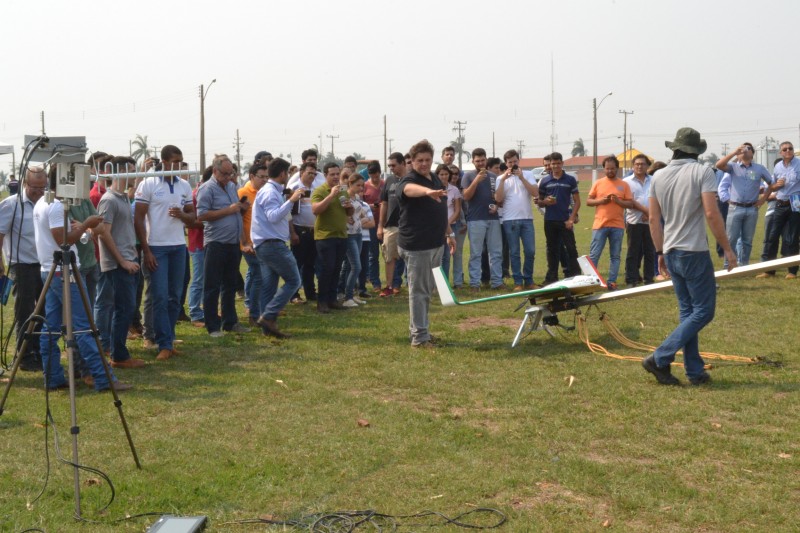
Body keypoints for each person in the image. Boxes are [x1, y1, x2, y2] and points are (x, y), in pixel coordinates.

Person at [644, 127, 737, 386]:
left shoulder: (658, 176)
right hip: (693, 251)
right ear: (696, 152)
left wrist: (660, 252)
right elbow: (711, 213)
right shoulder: (702, 172)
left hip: (671, 250)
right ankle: (660, 356)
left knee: (689, 313)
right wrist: (727, 249)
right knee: (704, 311)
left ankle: (694, 370)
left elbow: (653, 219)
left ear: (674, 148)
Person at [33, 171, 131, 392]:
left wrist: (82, 227)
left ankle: (53, 376)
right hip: (63, 271)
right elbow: (62, 240)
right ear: (65, 181)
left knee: (51, 326)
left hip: (50, 269)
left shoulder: (43, 201)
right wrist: (87, 223)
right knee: (84, 326)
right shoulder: (56, 205)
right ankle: (103, 378)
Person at [134, 145, 195, 361]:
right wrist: (147, 250)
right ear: (164, 161)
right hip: (156, 248)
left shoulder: (185, 185)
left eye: (181, 161)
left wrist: (182, 215)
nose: (179, 165)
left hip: (179, 246)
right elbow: (138, 218)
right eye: (175, 161)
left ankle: (168, 339)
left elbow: (193, 216)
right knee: (159, 296)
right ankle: (162, 343)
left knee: (175, 297)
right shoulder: (148, 183)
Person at [397, 140, 454, 348]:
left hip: (435, 243)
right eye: (419, 160)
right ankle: (419, 338)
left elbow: (440, 211)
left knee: (426, 291)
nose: (423, 164)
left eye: (427, 160)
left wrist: (450, 233)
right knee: (419, 292)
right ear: (411, 161)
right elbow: (409, 190)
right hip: (417, 246)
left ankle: (423, 332)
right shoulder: (409, 179)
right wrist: (426, 192)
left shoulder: (434, 179)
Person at [95, 156, 144, 369]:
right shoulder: (109, 200)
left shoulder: (123, 197)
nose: (135, 175)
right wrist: (122, 261)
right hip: (118, 264)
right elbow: (103, 234)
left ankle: (118, 351)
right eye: (131, 171)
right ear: (120, 172)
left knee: (126, 308)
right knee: (123, 309)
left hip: (129, 259)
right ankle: (118, 355)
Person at [196, 155, 251, 337]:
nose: (228, 177)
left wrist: (241, 208)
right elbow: (202, 215)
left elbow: (236, 213)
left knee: (230, 284)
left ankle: (230, 322)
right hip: (215, 243)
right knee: (212, 286)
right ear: (215, 171)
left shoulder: (231, 186)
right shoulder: (207, 188)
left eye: (231, 173)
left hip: (232, 243)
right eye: (225, 174)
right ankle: (212, 325)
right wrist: (229, 210)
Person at [0, 167, 47, 371]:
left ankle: (38, 349)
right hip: (22, 265)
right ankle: (25, 355)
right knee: (25, 310)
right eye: (35, 187)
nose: (39, 191)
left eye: (42, 187)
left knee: (45, 310)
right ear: (25, 184)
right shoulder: (11, 205)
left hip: (45, 263)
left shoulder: (48, 203)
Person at [251, 158, 304, 337]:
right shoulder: (269, 192)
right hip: (271, 244)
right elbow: (273, 216)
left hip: (267, 244)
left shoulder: (273, 190)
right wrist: (291, 201)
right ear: (282, 173)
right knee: (294, 280)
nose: (288, 176)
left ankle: (268, 327)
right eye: (288, 173)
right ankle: (268, 316)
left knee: (269, 286)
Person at [715, 143, 772, 267]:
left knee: (747, 240)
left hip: (752, 209)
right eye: (742, 149)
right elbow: (718, 165)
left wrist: (763, 200)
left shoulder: (759, 168)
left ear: (752, 153)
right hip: (735, 207)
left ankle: (744, 265)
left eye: (748, 148)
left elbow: (771, 184)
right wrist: (734, 153)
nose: (745, 151)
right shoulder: (733, 167)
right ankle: (728, 265)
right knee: (731, 239)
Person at [586, 155, 633, 290]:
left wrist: (619, 202)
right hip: (599, 225)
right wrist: (601, 201)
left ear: (617, 168)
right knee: (594, 255)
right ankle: (591, 281)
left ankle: (611, 281)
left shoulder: (624, 185)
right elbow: (588, 201)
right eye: (607, 169)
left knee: (615, 255)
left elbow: (630, 203)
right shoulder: (598, 183)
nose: (610, 171)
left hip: (617, 226)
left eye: (613, 168)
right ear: (604, 169)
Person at [494, 149, 538, 290]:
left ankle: (529, 280)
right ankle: (518, 282)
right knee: (514, 252)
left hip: (527, 218)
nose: (513, 164)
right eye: (510, 162)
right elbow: (498, 199)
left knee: (530, 250)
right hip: (509, 219)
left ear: (519, 161)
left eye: (515, 161)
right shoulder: (500, 178)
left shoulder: (528, 174)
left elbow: (535, 193)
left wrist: (522, 178)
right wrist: (503, 180)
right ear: (506, 164)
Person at [756, 142, 800, 279]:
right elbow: (772, 187)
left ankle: (792, 271)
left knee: (792, 238)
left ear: (793, 150)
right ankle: (769, 270)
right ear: (780, 152)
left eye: (790, 148)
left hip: (795, 204)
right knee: (772, 237)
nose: (788, 151)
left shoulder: (799, 164)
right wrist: (776, 185)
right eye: (784, 149)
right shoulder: (777, 166)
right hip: (780, 204)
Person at [311, 162, 351, 313]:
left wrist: (350, 207)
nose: (335, 177)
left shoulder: (343, 190)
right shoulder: (320, 191)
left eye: (337, 174)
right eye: (332, 174)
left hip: (341, 235)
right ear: (325, 176)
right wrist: (330, 195)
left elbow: (348, 213)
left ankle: (332, 299)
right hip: (325, 236)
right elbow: (316, 210)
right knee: (327, 269)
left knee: (336, 269)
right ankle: (321, 301)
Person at [462, 148, 503, 290]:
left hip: (493, 218)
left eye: (482, 160)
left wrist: (497, 206)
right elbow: (466, 196)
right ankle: (475, 283)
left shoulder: (493, 176)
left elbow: (499, 197)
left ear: (486, 160)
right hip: (475, 219)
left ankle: (497, 282)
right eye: (477, 160)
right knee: (476, 253)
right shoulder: (468, 176)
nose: (480, 163)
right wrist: (476, 181)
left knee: (496, 252)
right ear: (473, 161)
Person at [538, 152, 581, 284]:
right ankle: (551, 278)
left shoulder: (570, 180)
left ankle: (575, 276)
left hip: (565, 220)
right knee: (552, 250)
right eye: (553, 163)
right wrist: (546, 201)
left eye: (558, 163)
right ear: (549, 165)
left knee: (571, 248)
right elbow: (539, 201)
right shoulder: (545, 181)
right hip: (550, 220)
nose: (555, 166)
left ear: (562, 163)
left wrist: (571, 219)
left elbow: (577, 201)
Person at [239, 163, 268, 324]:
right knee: (258, 275)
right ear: (251, 177)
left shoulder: (266, 192)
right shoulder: (243, 193)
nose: (264, 180)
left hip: (262, 242)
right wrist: (244, 243)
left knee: (257, 275)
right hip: (249, 244)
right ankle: (254, 313)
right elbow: (238, 219)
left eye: (266, 177)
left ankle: (254, 308)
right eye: (261, 177)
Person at [623, 154, 655, 286]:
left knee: (650, 251)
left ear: (648, 166)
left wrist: (649, 214)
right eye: (637, 164)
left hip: (651, 221)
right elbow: (628, 201)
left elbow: (658, 199)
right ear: (633, 166)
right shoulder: (627, 182)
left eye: (642, 164)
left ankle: (649, 278)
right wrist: (645, 211)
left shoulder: (654, 180)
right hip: (634, 221)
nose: (640, 166)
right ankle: (631, 278)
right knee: (633, 251)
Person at [378, 152, 406, 297]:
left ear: (403, 163)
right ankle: (389, 286)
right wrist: (380, 226)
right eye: (389, 166)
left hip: (409, 226)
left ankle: (405, 284)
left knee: (410, 257)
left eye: (394, 165)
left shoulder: (411, 180)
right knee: (389, 257)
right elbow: (384, 203)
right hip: (391, 226)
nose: (391, 168)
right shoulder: (389, 180)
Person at [290, 162, 319, 302]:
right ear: (301, 173)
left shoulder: (316, 189)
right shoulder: (294, 188)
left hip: (313, 231)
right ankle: (294, 294)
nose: (312, 176)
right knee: (297, 263)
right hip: (299, 229)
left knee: (310, 264)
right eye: (309, 173)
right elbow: (288, 212)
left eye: (314, 173)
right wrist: (292, 233)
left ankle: (310, 292)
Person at [362, 161, 384, 294]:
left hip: (385, 223)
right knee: (373, 255)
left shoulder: (385, 184)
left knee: (389, 255)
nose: (374, 177)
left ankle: (392, 281)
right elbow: (360, 204)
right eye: (371, 175)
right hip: (370, 224)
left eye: (376, 175)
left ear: (379, 173)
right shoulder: (364, 186)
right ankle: (375, 282)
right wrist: (371, 206)